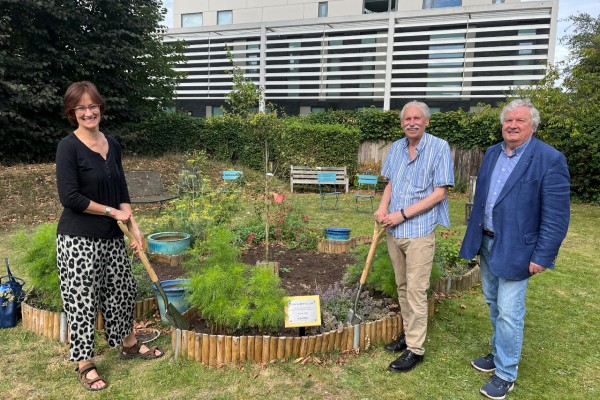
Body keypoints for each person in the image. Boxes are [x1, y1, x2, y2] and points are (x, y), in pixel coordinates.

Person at [459, 98, 570, 399]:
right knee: (493, 301)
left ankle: (506, 373)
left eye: (519, 120)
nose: (512, 125)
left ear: (532, 125)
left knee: (510, 310)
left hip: (518, 248)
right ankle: (498, 352)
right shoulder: (493, 153)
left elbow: (556, 216)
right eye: (508, 120)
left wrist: (543, 255)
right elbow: (483, 199)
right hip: (487, 240)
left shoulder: (549, 159)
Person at [56, 81, 163, 392]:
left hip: (113, 236)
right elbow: (70, 197)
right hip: (78, 239)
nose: (89, 112)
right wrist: (111, 213)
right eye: (81, 108)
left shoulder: (111, 143)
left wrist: (133, 224)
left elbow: (121, 190)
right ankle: (85, 362)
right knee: (82, 300)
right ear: (72, 112)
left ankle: (128, 343)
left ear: (100, 107)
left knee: (122, 290)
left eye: (93, 106)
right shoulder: (68, 147)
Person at [374, 100, 454, 372]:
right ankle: (409, 336)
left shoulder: (439, 147)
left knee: (417, 291)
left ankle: (416, 349)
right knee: (403, 287)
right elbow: (391, 184)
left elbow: (439, 193)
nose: (411, 122)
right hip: (394, 230)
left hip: (418, 232)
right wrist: (383, 208)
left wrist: (403, 214)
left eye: (417, 118)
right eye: (407, 119)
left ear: (427, 121)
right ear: (402, 123)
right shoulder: (396, 148)